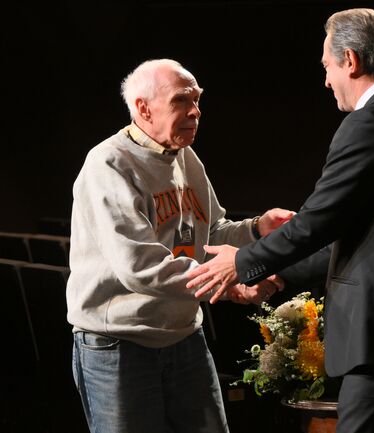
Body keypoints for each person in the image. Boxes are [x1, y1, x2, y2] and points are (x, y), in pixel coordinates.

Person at [186, 8, 374, 433]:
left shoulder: (371, 122)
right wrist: (277, 276)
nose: (327, 80)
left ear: (350, 60)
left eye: (328, 66)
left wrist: (241, 263)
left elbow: (318, 221)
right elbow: (362, 238)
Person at [66, 58, 293, 433]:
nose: (196, 111)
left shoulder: (185, 156)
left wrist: (257, 229)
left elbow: (210, 231)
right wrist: (228, 282)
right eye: (181, 101)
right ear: (143, 108)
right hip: (120, 346)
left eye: (197, 100)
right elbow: (141, 267)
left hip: (184, 336)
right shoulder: (108, 165)